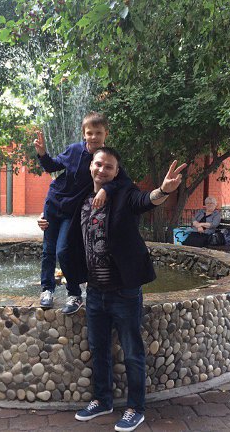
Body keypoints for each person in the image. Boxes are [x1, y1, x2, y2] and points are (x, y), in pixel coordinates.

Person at [61, 147, 185, 432]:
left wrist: (163, 191)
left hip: (124, 292)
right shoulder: (84, 199)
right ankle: (103, 400)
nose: (102, 170)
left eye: (109, 167)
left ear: (117, 172)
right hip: (94, 292)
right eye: (98, 164)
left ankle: (135, 408)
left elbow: (144, 201)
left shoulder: (124, 194)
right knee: (99, 348)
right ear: (91, 166)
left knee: (131, 351)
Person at [34, 112, 129, 314]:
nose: (93, 137)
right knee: (48, 250)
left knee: (63, 250)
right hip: (53, 204)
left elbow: (123, 182)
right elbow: (52, 166)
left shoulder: (106, 157)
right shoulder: (74, 150)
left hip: (72, 211)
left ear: (106, 134)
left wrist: (105, 189)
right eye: (89, 133)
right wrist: (42, 154)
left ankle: (74, 293)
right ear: (83, 134)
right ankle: (47, 289)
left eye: (98, 133)